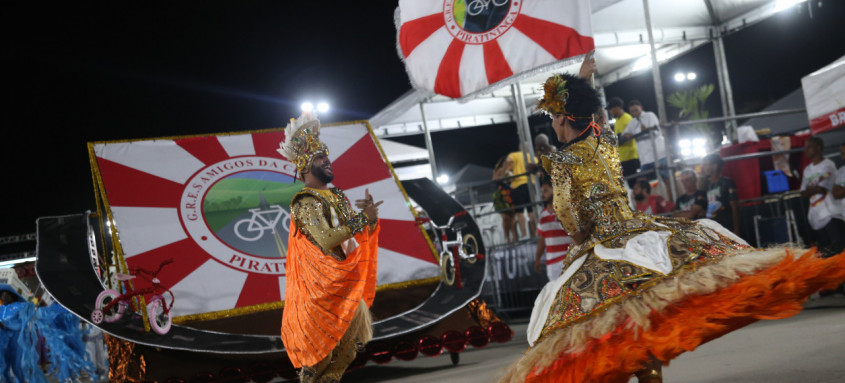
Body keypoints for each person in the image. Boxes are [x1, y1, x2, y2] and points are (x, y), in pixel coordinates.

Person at [500, 68, 845, 383]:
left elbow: (571, 223)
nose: (554, 127)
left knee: (605, 329)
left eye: (554, 119)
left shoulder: (561, 162)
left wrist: (582, 234)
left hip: (602, 246)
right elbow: (594, 117)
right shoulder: (604, 140)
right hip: (641, 234)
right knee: (647, 315)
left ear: (561, 118)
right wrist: (582, 83)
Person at [278, 112, 381, 383]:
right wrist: (362, 219)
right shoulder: (305, 201)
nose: (327, 160)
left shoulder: (335, 195)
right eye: (320, 158)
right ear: (305, 164)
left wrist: (370, 222)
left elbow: (350, 239)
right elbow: (325, 239)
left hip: (343, 284)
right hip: (321, 291)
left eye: (327, 156)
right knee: (320, 361)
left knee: (347, 353)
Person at [800, 137, 845, 257]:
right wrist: (813, 189)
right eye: (806, 147)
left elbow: (822, 188)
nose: (806, 150)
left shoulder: (828, 165)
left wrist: (812, 189)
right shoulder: (807, 170)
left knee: (840, 251)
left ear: (818, 148)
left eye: (809, 147)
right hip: (816, 217)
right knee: (827, 254)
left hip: (831, 214)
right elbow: (803, 192)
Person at [622, 100, 671, 200]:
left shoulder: (650, 116)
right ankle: (648, 209)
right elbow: (624, 134)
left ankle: (672, 204)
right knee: (640, 185)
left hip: (659, 155)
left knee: (668, 182)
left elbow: (656, 132)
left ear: (641, 108)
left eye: (636, 110)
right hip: (645, 160)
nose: (635, 113)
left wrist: (646, 130)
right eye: (632, 111)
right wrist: (627, 135)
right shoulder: (632, 122)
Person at [534, 177, 572, 281]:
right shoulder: (542, 215)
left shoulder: (566, 210)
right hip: (552, 264)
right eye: (542, 192)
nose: (542, 194)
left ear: (554, 190)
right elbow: (542, 240)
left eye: (545, 191)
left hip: (568, 258)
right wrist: (537, 259)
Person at [701, 153, 741, 236]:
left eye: (705, 165)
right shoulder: (705, 185)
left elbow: (735, 207)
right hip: (712, 227)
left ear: (715, 166)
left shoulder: (727, 182)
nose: (703, 168)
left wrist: (736, 229)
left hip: (727, 225)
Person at [505, 148, 538, 239]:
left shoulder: (514, 155)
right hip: (531, 185)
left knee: (519, 212)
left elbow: (508, 160)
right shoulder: (533, 158)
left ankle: (524, 234)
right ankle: (535, 234)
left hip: (518, 185)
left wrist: (507, 170)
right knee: (531, 211)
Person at [608, 96, 638, 186]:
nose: (610, 112)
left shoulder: (627, 118)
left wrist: (614, 140)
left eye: (611, 109)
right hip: (623, 158)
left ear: (617, 107)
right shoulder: (617, 120)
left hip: (630, 157)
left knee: (635, 184)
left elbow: (624, 138)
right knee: (630, 185)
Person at [492, 156, 517, 243]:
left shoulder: (512, 171)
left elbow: (514, 180)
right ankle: (508, 238)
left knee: (513, 218)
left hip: (510, 194)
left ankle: (515, 238)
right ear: (504, 163)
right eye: (507, 162)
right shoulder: (500, 170)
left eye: (510, 163)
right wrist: (504, 174)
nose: (509, 164)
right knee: (505, 218)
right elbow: (494, 179)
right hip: (501, 195)